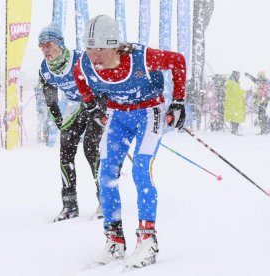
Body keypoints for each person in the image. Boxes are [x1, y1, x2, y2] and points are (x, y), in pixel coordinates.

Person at [73, 15, 186, 268]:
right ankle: (114, 240)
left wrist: (178, 100)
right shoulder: (85, 62)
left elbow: (177, 61)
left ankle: (148, 241)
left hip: (148, 113)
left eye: (101, 47)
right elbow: (78, 74)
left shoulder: (141, 57)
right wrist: (90, 103)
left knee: (140, 170)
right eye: (90, 47)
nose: (94, 54)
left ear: (115, 45)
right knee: (106, 173)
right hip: (117, 115)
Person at [38, 24, 106, 222]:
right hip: (78, 106)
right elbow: (50, 99)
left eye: (48, 44)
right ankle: (69, 205)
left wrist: (103, 107)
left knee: (90, 146)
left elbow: (103, 81)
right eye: (41, 46)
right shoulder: (45, 69)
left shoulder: (81, 59)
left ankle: (106, 200)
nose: (45, 50)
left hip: (97, 102)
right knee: (66, 147)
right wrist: (60, 123)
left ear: (59, 43)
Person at [224, 71, 246, 135]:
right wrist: (244, 92)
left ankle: (234, 131)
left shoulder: (231, 83)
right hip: (235, 104)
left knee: (234, 118)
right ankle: (234, 131)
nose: (239, 77)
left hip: (233, 103)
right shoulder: (233, 84)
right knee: (235, 117)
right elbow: (238, 92)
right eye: (238, 75)